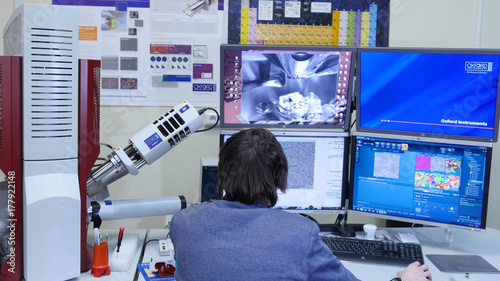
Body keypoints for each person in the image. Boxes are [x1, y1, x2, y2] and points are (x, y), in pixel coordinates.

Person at [170, 128, 432, 281]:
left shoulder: (183, 223)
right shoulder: (300, 233)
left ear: (223, 171)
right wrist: (403, 279)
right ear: (280, 176)